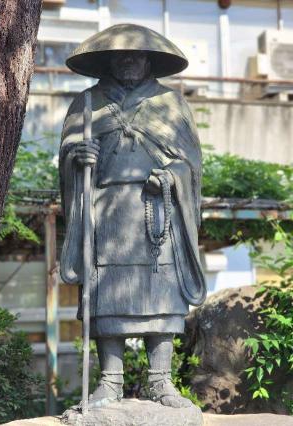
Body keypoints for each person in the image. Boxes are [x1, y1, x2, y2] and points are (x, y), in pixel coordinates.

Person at [59, 23, 206, 409]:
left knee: (162, 294)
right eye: (121, 55)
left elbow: (191, 162)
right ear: (108, 60)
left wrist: (172, 176)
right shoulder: (87, 103)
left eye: (136, 55)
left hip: (158, 212)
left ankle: (161, 380)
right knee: (106, 292)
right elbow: (69, 154)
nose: (128, 61)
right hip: (105, 211)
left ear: (149, 61)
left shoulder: (171, 104)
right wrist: (79, 158)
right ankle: (109, 380)